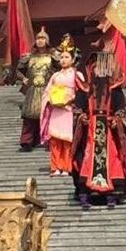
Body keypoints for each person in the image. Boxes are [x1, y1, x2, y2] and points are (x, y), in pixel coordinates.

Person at [72, 38, 126, 208]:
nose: (98, 73)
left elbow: (121, 110)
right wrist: (81, 118)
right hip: (90, 132)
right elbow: (77, 109)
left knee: (113, 160)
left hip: (108, 131)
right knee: (87, 160)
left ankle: (111, 195)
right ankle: (86, 194)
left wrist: (117, 120)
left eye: (101, 70)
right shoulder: (84, 89)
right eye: (95, 69)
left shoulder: (114, 90)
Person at [41, 46, 83, 176]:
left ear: (73, 59)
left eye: (66, 57)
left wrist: (70, 99)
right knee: (55, 140)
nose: (63, 60)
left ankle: (67, 167)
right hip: (56, 110)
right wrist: (50, 100)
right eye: (62, 57)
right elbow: (46, 92)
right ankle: (56, 167)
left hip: (69, 110)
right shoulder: (55, 75)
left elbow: (82, 92)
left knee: (67, 140)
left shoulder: (77, 75)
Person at [16, 27, 58, 152]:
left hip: (47, 89)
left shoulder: (53, 56)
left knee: (47, 115)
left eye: (43, 38)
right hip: (32, 89)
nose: (40, 41)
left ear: (47, 41)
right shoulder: (28, 57)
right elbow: (18, 70)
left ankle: (48, 140)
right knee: (29, 115)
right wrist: (23, 79)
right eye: (38, 38)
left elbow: (62, 68)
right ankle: (27, 141)